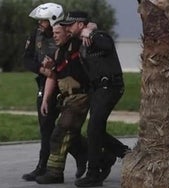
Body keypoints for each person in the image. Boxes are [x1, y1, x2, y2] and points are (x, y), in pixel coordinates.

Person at [60, 11, 130, 187]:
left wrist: (91, 32)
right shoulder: (77, 41)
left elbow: (106, 45)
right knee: (95, 129)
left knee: (93, 128)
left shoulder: (98, 36)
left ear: (81, 24)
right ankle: (122, 154)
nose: (67, 27)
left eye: (70, 24)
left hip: (110, 87)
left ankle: (94, 173)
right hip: (97, 89)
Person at [23, 3, 86, 181]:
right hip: (46, 82)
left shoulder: (68, 36)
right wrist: (43, 71)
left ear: (52, 21)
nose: (40, 24)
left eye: (42, 21)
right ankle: (43, 166)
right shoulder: (36, 35)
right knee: (47, 127)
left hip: (67, 85)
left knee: (65, 128)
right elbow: (26, 59)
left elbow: (87, 26)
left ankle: (83, 155)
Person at [35, 23, 89, 184]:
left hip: (79, 97)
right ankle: (101, 156)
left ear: (68, 32)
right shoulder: (58, 52)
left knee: (61, 133)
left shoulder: (78, 46)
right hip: (66, 99)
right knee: (69, 135)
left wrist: (88, 31)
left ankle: (54, 173)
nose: (54, 35)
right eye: (53, 33)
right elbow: (52, 76)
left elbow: (91, 25)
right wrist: (45, 100)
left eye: (58, 32)